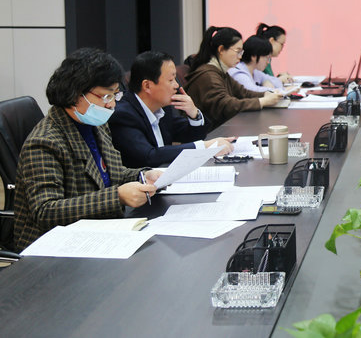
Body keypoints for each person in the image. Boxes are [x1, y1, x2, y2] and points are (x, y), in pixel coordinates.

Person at [13, 48, 162, 250]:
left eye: (114, 95)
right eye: (105, 96)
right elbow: (45, 211)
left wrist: (143, 175)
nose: (111, 105)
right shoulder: (45, 142)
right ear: (75, 93)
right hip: (54, 247)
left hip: (98, 231)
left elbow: (109, 174)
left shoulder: (95, 124)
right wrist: (116, 196)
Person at [109, 51, 234, 168]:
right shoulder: (124, 114)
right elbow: (149, 156)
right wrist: (204, 147)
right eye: (170, 80)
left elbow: (191, 137)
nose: (177, 85)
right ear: (147, 85)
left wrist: (194, 114)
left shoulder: (162, 108)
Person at [184, 26, 281, 128]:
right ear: (221, 49)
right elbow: (226, 105)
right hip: (210, 132)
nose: (240, 56)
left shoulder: (220, 71)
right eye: (238, 51)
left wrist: (265, 94)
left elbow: (243, 93)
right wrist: (262, 101)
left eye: (241, 52)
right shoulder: (209, 75)